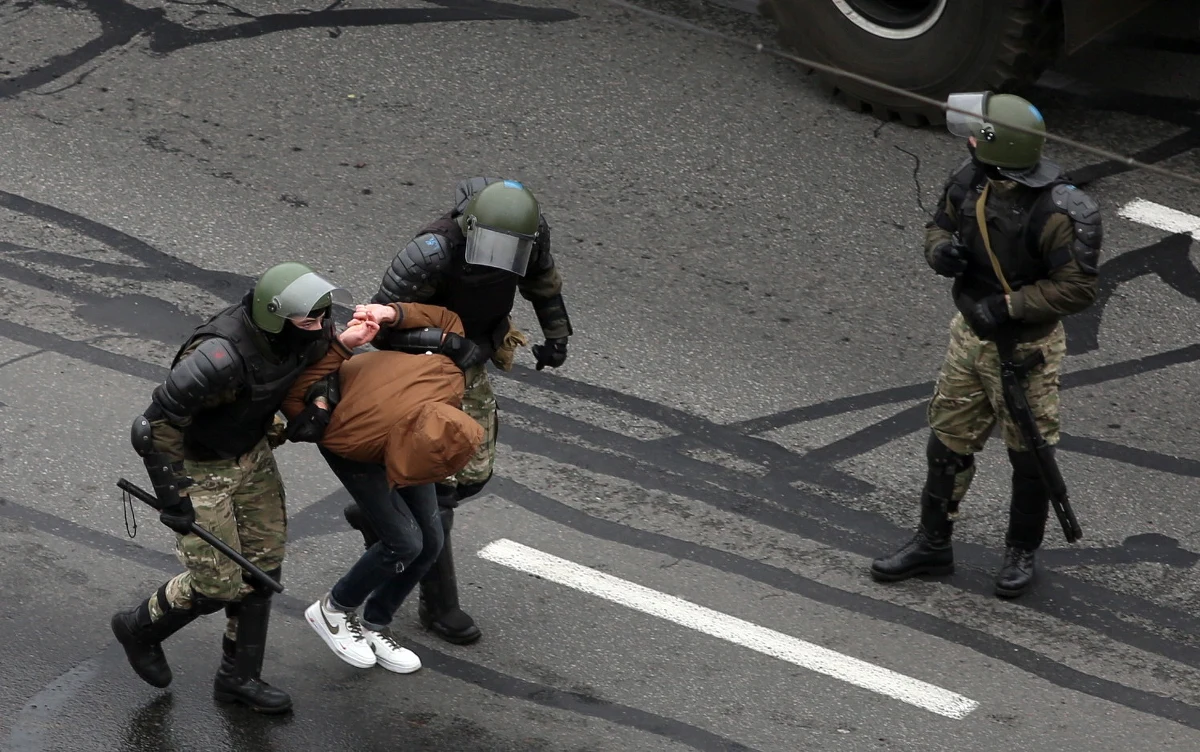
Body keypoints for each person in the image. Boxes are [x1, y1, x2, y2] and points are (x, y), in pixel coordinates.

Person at [109, 262, 376, 713]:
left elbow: (316, 368)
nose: (319, 327)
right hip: (200, 466)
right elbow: (154, 426)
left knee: (262, 569)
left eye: (321, 318)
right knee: (216, 584)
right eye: (308, 320)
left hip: (251, 455)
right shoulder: (218, 357)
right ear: (276, 316)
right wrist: (174, 498)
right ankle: (139, 627)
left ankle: (238, 678)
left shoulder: (305, 332)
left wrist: (318, 400)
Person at [870, 92, 1102, 598]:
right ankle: (932, 543)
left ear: (998, 146)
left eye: (979, 134)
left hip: (1026, 351)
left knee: (1030, 457)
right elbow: (939, 226)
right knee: (947, 442)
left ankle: (1021, 552)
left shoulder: (1063, 210)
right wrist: (940, 252)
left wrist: (1010, 307)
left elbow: (1078, 287)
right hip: (970, 337)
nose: (970, 139)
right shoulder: (970, 179)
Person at [353, 176, 575, 644]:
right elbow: (379, 323)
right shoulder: (432, 250)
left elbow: (542, 280)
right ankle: (439, 606)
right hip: (421, 363)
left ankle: (381, 511)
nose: (499, 257)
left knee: (472, 471)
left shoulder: (529, 235)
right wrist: (447, 343)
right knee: (442, 484)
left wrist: (558, 335)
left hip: (472, 353)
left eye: (509, 249)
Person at [279, 301, 484, 672]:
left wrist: (393, 314)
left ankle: (375, 624)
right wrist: (343, 346)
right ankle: (333, 609)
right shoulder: (351, 438)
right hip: (354, 445)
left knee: (432, 541)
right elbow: (296, 395)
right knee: (404, 541)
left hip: (406, 427)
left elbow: (447, 318)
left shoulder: (449, 378)